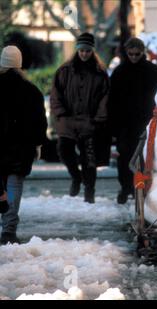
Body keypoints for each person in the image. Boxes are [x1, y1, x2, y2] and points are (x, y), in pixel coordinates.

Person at [50, 32, 110, 204]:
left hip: (89, 121)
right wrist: (60, 112)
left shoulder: (99, 73)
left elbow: (106, 96)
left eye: (87, 51)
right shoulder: (64, 70)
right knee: (64, 150)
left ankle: (89, 191)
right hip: (68, 120)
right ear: (77, 50)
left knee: (89, 159)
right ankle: (76, 177)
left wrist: (99, 117)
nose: (84, 54)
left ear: (92, 51)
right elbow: (55, 93)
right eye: (81, 50)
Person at [0, 45, 47, 244]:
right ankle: (9, 229)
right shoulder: (31, 91)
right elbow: (39, 121)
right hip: (20, 149)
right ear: (19, 65)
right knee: (13, 186)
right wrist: (37, 144)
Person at [108, 37, 157, 204]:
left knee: (145, 157)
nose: (133, 57)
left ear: (142, 52)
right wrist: (113, 127)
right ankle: (126, 188)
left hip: (146, 121)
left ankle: (141, 187)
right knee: (125, 157)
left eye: (137, 54)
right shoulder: (119, 72)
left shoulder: (152, 71)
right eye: (130, 54)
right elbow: (112, 101)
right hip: (125, 123)